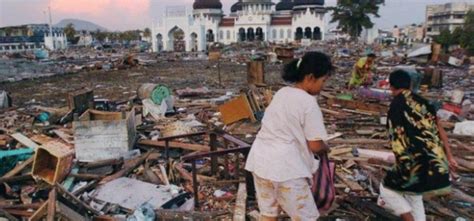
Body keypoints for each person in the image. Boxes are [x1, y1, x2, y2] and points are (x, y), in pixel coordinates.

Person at [245, 52, 333, 221]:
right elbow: (315, 145)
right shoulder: (308, 102)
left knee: (268, 214)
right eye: (323, 81)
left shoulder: (282, 93)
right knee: (306, 217)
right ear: (310, 78)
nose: (323, 86)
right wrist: (326, 147)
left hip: (260, 162)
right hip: (286, 168)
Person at [378, 70, 458, 221]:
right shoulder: (424, 103)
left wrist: (401, 161)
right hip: (436, 163)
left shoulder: (396, 105)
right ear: (409, 84)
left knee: (387, 189)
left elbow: (397, 139)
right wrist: (449, 156)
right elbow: (440, 131)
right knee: (414, 196)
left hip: (414, 163)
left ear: (391, 86)